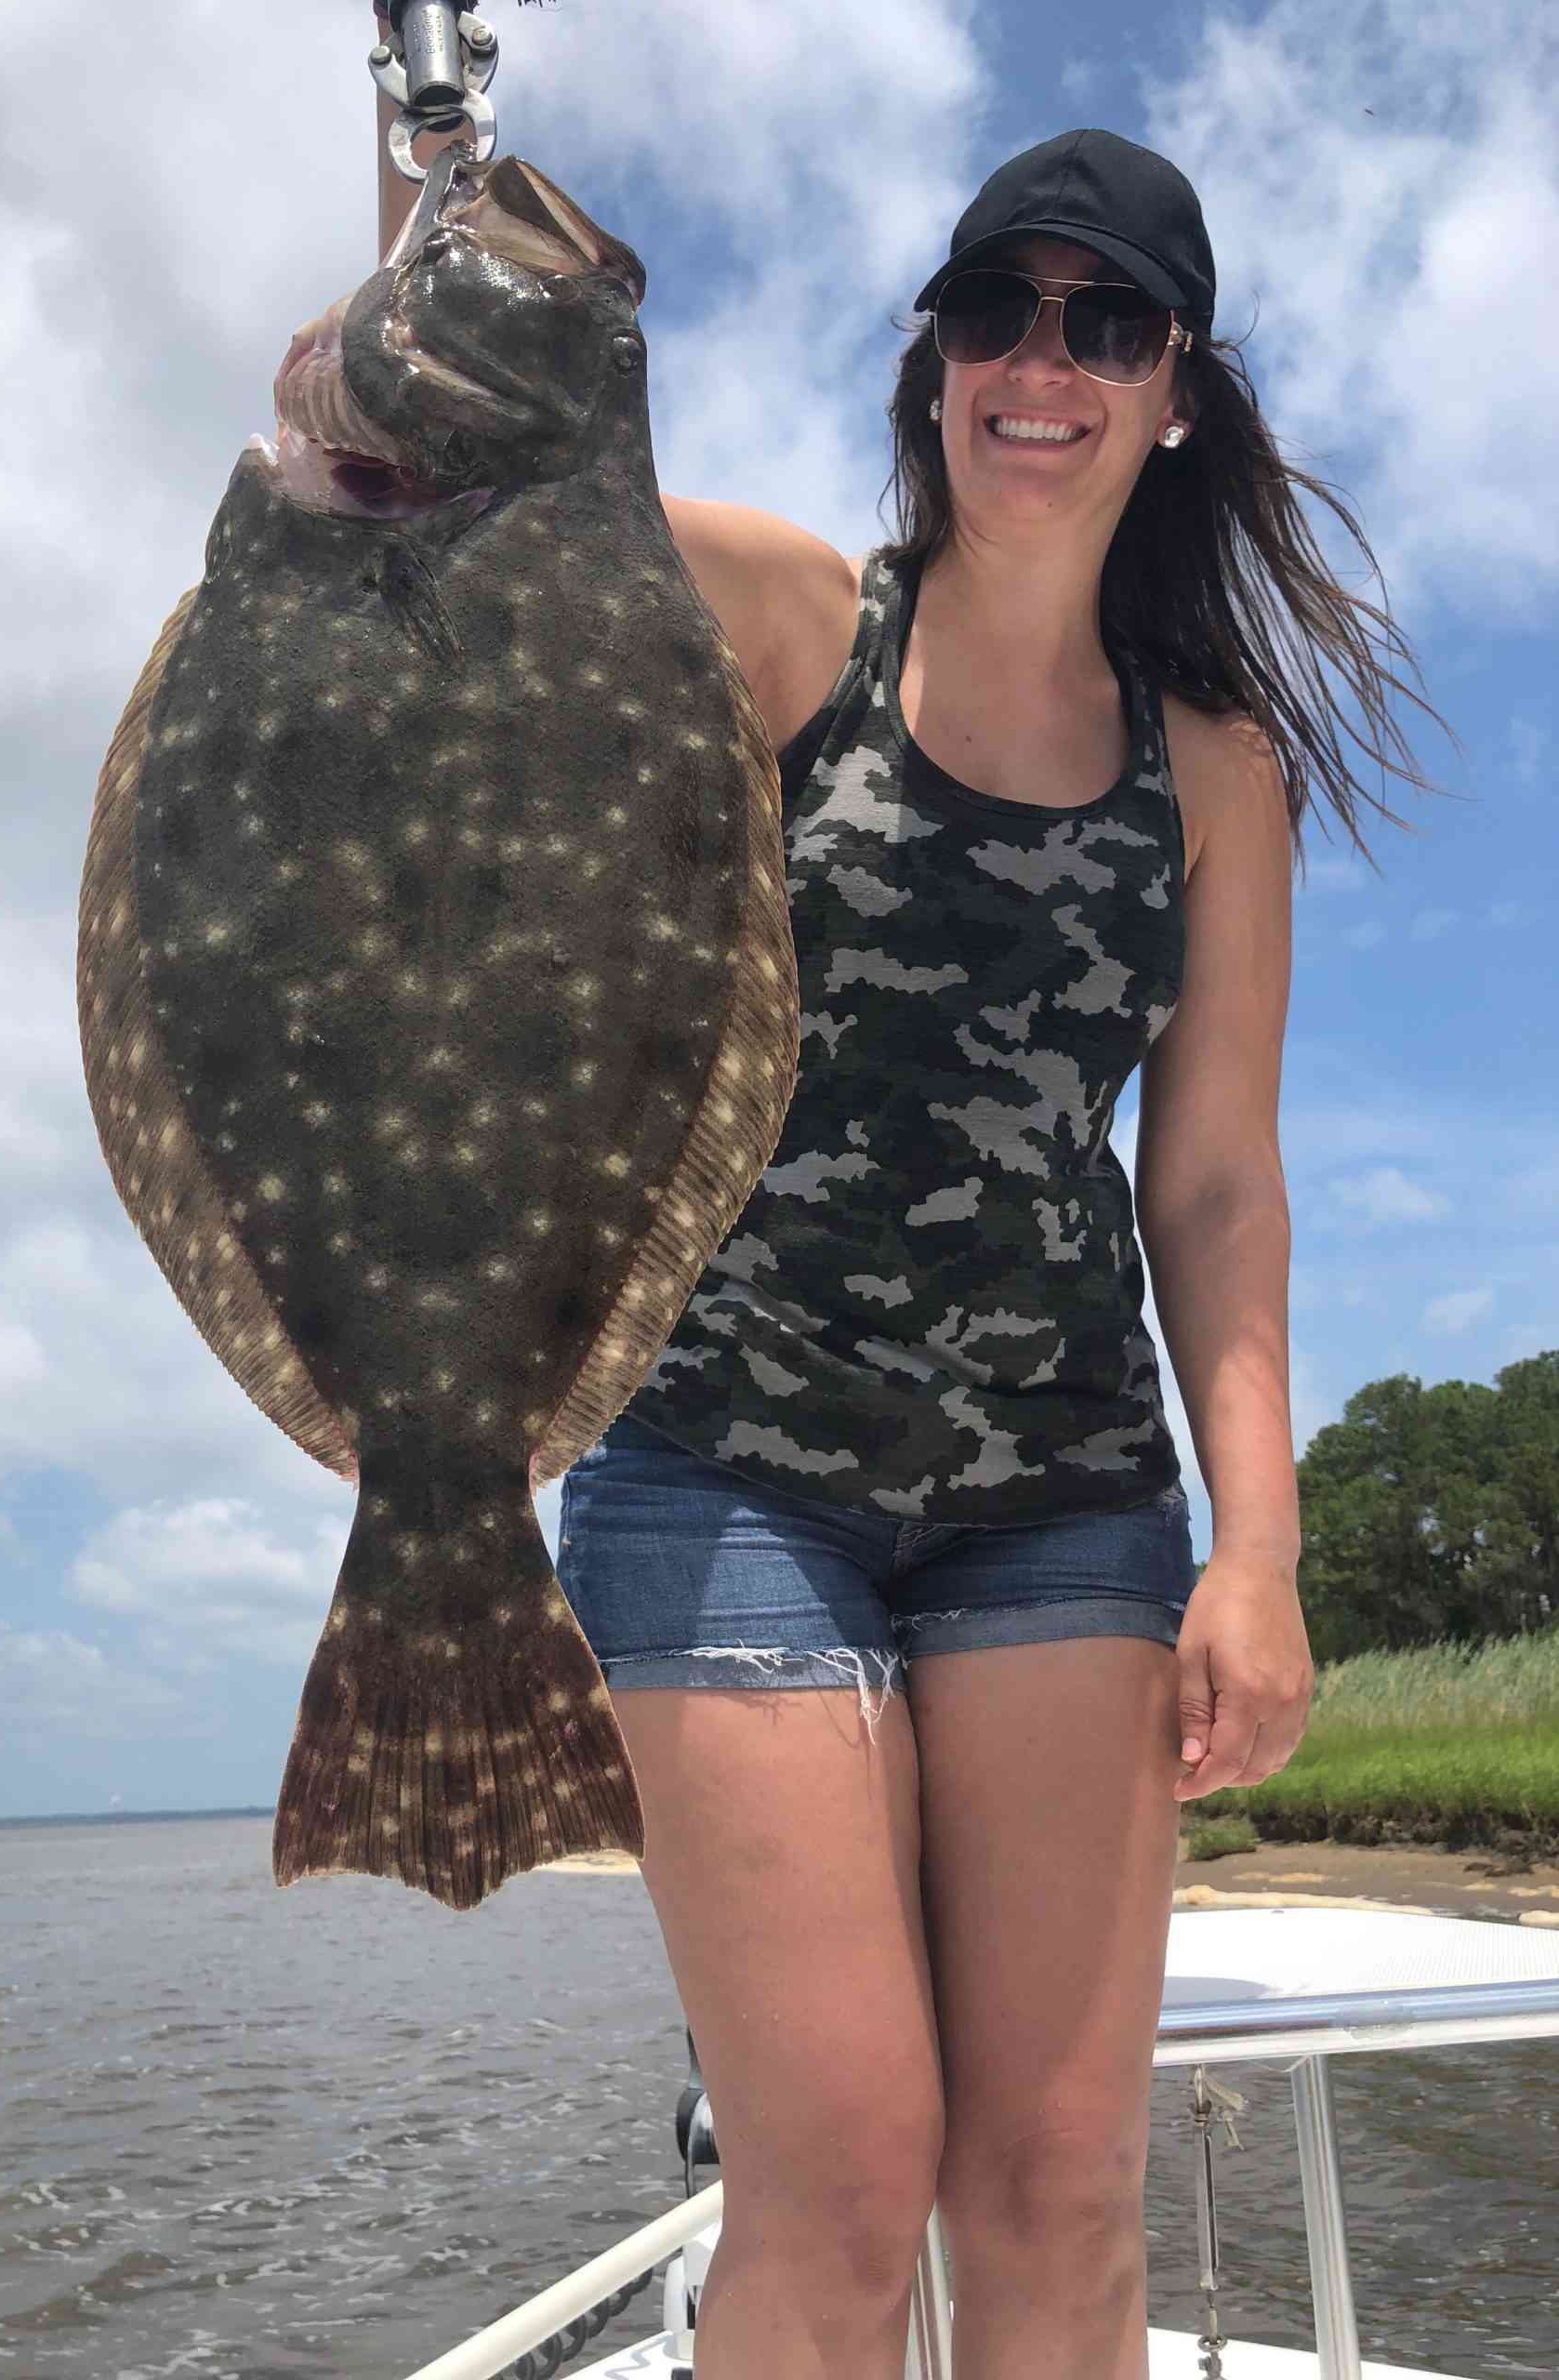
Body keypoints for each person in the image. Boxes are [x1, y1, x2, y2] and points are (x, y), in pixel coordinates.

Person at [373, 27, 1446, 2379]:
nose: (1039, 362)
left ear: (1178, 391)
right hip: (724, 1471)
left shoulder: (1216, 769)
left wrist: (1254, 1546)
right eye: (997, 311)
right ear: (935, 361)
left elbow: (1223, 1177)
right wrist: (429, 208)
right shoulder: (782, 621)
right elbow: (460, 516)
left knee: (1054, 2186)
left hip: (1061, 1494)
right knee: (845, 2177)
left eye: (1104, 322)